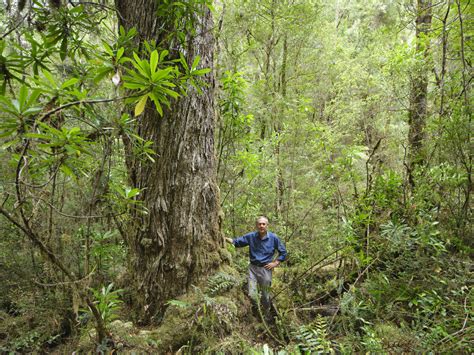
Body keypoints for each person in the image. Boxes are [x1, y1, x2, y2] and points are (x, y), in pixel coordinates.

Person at [226, 216, 287, 320]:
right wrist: (226, 239)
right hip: (252, 269)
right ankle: (257, 311)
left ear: (267, 225)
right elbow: (237, 242)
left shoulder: (273, 238)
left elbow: (283, 252)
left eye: (263, 224)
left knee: (265, 294)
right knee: (252, 293)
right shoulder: (251, 236)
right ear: (256, 225)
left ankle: (267, 313)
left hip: (266, 269)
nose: (261, 226)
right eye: (259, 224)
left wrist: (275, 263)